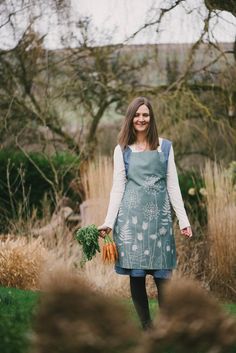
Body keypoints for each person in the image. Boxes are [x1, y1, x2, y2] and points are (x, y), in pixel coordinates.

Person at [98, 96, 192, 330]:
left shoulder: (165, 147)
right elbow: (117, 188)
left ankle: (167, 326)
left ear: (151, 118)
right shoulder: (122, 150)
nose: (141, 119)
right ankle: (147, 328)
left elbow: (173, 186)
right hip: (130, 222)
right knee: (136, 276)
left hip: (159, 222)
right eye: (137, 115)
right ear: (130, 119)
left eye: (145, 115)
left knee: (163, 277)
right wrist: (108, 222)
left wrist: (183, 220)